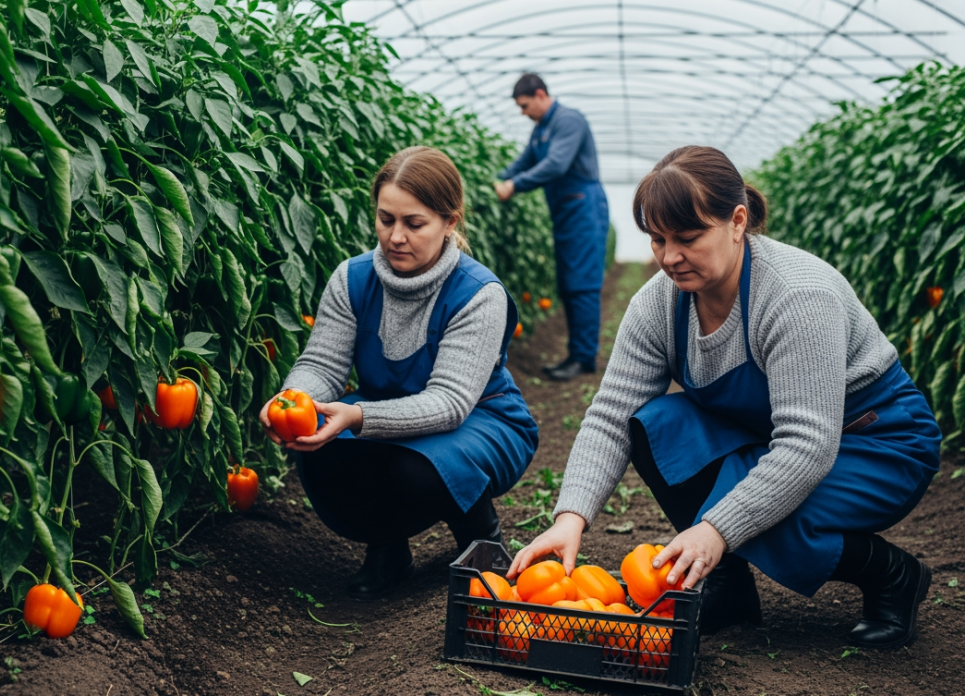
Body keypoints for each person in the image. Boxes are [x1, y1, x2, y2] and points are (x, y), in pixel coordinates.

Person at [507, 146, 941, 647]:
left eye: (688, 238)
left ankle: (892, 575)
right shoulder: (658, 304)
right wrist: (570, 517)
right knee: (657, 424)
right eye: (657, 240)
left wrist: (715, 529)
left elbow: (806, 446)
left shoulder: (797, 297)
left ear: (738, 222)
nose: (669, 257)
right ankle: (729, 589)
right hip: (770, 436)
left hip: (874, 441)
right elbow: (610, 416)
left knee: (771, 514)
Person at [261, 147, 540, 600]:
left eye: (414, 223)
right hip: (386, 415)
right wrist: (293, 400)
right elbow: (321, 364)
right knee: (324, 449)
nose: (396, 237)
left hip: (481, 423)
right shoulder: (351, 279)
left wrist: (357, 418)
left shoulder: (478, 294)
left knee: (421, 466)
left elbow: (449, 404)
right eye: (385, 219)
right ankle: (387, 549)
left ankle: (484, 541)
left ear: (450, 221)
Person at [495, 73, 610, 381]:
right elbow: (523, 163)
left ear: (541, 94)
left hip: (583, 209)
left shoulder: (569, 121)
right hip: (565, 211)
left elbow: (555, 165)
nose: (523, 112)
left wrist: (513, 186)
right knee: (569, 283)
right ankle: (576, 353)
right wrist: (495, 179)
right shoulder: (540, 130)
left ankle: (584, 358)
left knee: (582, 284)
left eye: (524, 105)